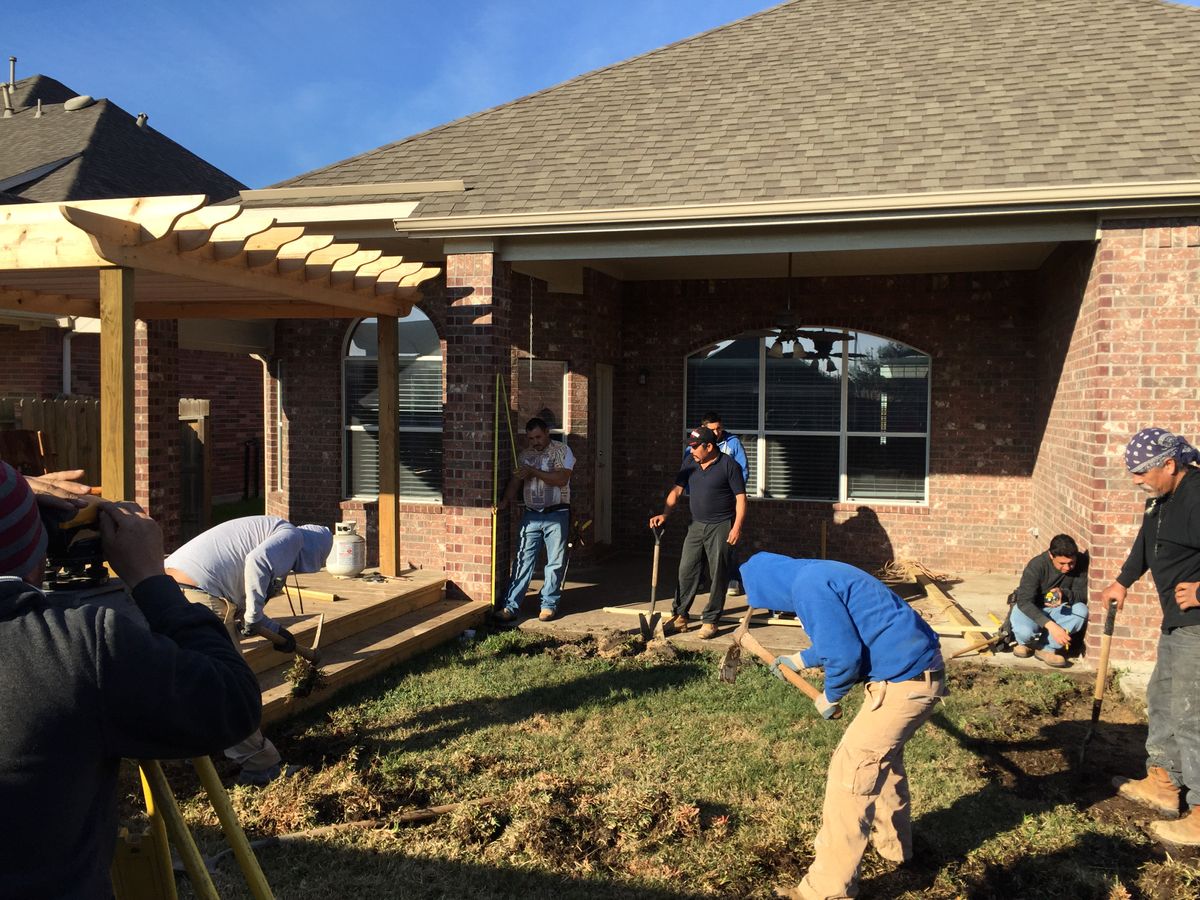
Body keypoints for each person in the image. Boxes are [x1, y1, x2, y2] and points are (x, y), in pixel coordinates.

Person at [0, 461, 261, 899]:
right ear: (36, 555)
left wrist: (15, 490)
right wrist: (152, 581)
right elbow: (231, 702)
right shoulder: (78, 648)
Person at [738, 552, 945, 900]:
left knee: (851, 777)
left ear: (767, 587)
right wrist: (798, 661)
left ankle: (826, 891)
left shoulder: (808, 587)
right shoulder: (818, 573)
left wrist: (830, 697)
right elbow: (845, 632)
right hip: (918, 675)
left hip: (904, 684)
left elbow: (845, 655)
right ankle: (895, 849)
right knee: (884, 763)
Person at [165, 515, 333, 785]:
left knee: (192, 675)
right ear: (315, 551)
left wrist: (274, 631)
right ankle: (261, 767)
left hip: (169, 586)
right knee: (231, 682)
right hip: (199, 592)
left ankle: (189, 748)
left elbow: (240, 580)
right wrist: (257, 618)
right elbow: (258, 562)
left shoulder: (267, 528)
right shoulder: (292, 536)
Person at [1101, 427, 1200, 846]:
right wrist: (1123, 582)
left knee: (1192, 714)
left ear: (1170, 464)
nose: (1135, 479)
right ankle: (1163, 783)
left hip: (1198, 626)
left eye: (1141, 471)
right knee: (1161, 699)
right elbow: (1147, 543)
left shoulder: (1198, 497)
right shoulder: (1162, 500)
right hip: (1175, 622)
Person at [650, 424, 747, 640]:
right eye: (690, 447)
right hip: (696, 525)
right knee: (686, 570)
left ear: (709, 446)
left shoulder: (729, 466)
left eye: (695, 447)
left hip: (721, 525)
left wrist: (737, 526)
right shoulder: (690, 464)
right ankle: (680, 616)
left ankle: (711, 620)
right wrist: (665, 514)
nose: (692, 451)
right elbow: (676, 491)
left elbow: (741, 499)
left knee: (717, 573)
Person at [495, 417, 575, 623]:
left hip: (557, 513)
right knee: (523, 560)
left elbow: (561, 479)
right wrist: (504, 501)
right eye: (531, 438)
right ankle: (510, 606)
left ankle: (548, 605)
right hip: (531, 514)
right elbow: (515, 481)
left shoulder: (562, 451)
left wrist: (533, 471)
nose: (535, 442)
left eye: (538, 437)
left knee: (554, 562)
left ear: (547, 432)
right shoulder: (525, 455)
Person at [681, 412, 750, 596]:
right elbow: (687, 471)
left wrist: (732, 491)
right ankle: (700, 580)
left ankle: (732, 578)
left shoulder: (732, 443)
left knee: (727, 544)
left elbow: (742, 470)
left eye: (720, 427)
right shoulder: (695, 446)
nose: (718, 431)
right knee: (699, 546)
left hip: (727, 502)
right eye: (713, 429)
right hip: (703, 503)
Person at [1008, 534, 1089, 668]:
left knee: (1081, 610)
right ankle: (1024, 643)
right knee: (1025, 633)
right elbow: (1024, 602)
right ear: (1051, 555)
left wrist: (1065, 595)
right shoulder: (1036, 565)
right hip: (1033, 609)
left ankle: (1047, 648)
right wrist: (1052, 626)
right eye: (1062, 563)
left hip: (1059, 610)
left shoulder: (1081, 562)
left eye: (1071, 563)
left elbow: (1083, 595)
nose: (1067, 568)